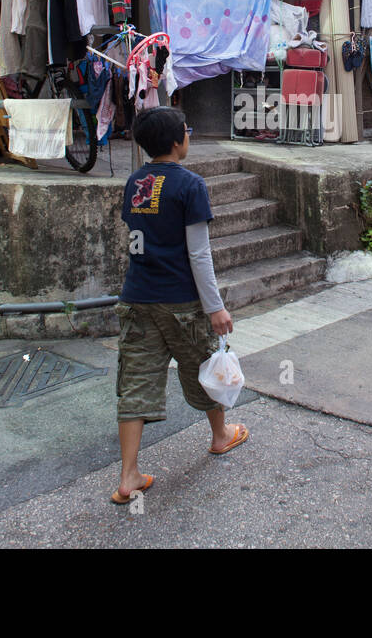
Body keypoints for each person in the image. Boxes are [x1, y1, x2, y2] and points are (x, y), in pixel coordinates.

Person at [111, 107, 248, 504]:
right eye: (187, 131)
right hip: (181, 301)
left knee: (135, 379)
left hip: (136, 298)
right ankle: (221, 436)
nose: (189, 135)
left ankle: (128, 476)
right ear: (178, 141)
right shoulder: (190, 185)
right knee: (203, 364)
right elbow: (199, 254)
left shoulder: (135, 181)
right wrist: (215, 307)